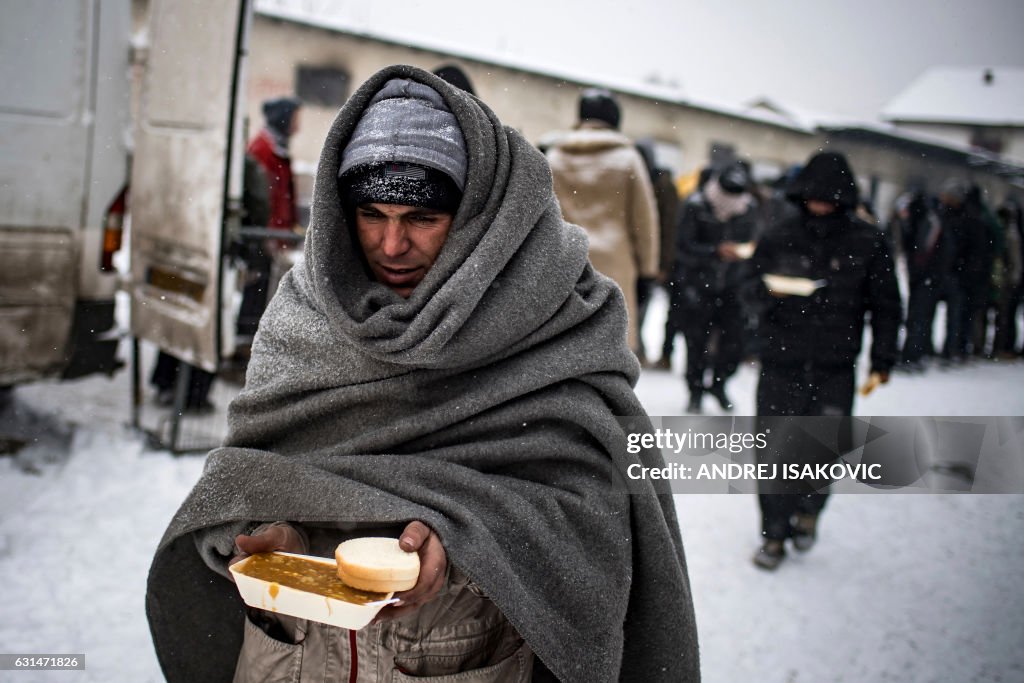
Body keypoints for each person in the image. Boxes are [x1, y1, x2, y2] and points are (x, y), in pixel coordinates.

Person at [146, 65, 699, 682]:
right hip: (292, 653)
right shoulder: (307, 309)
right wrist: (263, 524)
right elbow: (254, 462)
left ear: (476, 220)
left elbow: (594, 511)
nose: (390, 245)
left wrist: (467, 542)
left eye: (422, 219)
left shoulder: (548, 321)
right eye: (371, 214)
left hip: (458, 650)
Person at [746, 152, 901, 570]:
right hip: (782, 360)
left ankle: (809, 512)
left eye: (829, 199)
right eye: (814, 197)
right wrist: (770, 296)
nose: (820, 205)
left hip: (835, 364)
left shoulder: (867, 241)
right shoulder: (780, 234)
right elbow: (748, 287)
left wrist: (883, 357)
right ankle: (773, 534)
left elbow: (886, 304)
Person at [546, 88, 660, 355]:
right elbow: (644, 221)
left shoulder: (555, 156)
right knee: (611, 348)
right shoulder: (629, 159)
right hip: (616, 266)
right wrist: (648, 271)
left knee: (564, 347)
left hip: (568, 262)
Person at [670, 160, 760, 413]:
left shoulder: (749, 208)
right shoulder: (696, 205)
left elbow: (755, 241)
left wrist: (745, 254)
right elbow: (683, 247)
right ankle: (695, 389)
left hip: (734, 286)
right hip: (699, 285)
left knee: (734, 342)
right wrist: (714, 252)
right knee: (696, 342)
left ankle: (719, 384)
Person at [634, 139, 680, 370]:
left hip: (652, 256)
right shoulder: (637, 178)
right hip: (634, 254)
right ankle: (637, 350)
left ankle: (638, 350)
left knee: (643, 306)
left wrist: (662, 264)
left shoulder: (662, 185)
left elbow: (668, 227)